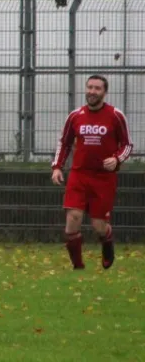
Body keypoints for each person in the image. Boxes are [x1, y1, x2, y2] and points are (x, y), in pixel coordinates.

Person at [51, 74, 132, 270]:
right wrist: (57, 167)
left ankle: (107, 241)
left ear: (104, 92)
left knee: (99, 226)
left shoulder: (115, 115)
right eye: (89, 87)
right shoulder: (76, 116)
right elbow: (65, 142)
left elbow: (127, 145)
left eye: (97, 88)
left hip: (103, 178)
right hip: (79, 175)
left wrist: (117, 159)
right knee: (73, 220)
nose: (92, 92)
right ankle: (78, 267)